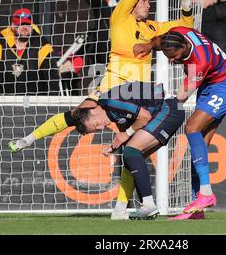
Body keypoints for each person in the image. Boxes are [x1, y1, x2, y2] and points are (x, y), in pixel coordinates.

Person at [7, 0, 196, 220]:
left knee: (132, 148)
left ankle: (120, 209)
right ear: (132, 3)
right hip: (110, 88)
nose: (147, 4)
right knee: (77, 114)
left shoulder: (154, 29)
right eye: (143, 1)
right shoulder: (120, 17)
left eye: (149, 1)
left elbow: (186, 27)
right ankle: (29, 139)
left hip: (137, 95)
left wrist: (185, 0)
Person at [159, 26, 226, 220]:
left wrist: (160, 104)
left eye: (174, 55)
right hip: (209, 86)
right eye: (167, 56)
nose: (171, 60)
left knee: (191, 127)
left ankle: (205, 193)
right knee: (199, 146)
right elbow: (160, 40)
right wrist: (148, 45)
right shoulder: (178, 33)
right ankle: (196, 208)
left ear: (184, 46)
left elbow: (180, 97)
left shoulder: (200, 60)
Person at [71, 81, 185, 219]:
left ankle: (148, 205)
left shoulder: (110, 101)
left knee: (131, 152)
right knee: (131, 158)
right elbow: (129, 135)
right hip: (168, 111)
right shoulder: (113, 115)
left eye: (96, 124)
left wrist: (125, 135)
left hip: (169, 108)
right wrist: (115, 145)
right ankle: (120, 210)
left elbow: (144, 117)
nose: (101, 128)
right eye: (96, 129)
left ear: (93, 111)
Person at [0, 8, 61, 95]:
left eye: (27, 24)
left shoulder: (43, 46)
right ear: (12, 26)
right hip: (5, 102)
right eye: (21, 24)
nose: (25, 27)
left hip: (35, 103)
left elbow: (52, 80)